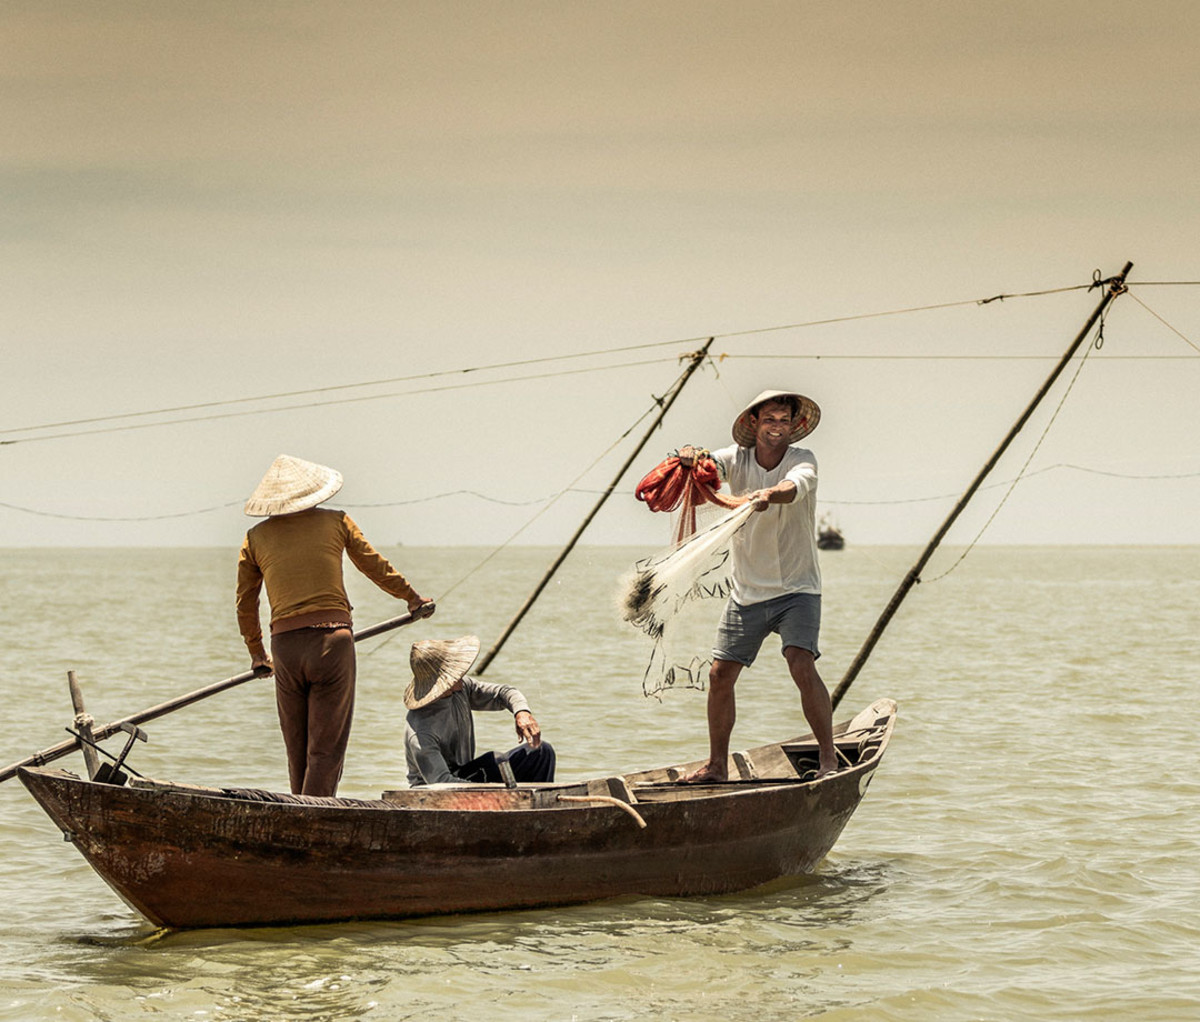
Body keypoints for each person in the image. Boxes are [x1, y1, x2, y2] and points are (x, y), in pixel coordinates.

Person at [235, 453, 434, 797]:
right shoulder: (336, 521)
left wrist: (257, 654)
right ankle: (309, 823)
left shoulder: (255, 538)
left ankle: (296, 814)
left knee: (296, 750)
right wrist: (411, 598)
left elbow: (245, 601)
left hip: (285, 649)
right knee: (325, 752)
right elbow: (373, 564)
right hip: (332, 642)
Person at [677, 389, 838, 781]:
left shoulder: (803, 460)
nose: (776, 429)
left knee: (800, 662)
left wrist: (769, 494)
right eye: (770, 420)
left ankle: (828, 759)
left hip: (797, 589)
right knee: (719, 675)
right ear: (754, 423)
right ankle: (717, 766)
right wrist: (689, 458)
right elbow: (709, 465)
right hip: (746, 592)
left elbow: (794, 487)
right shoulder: (737, 457)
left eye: (784, 422)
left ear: (793, 426)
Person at [404, 635, 556, 786]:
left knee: (541, 752)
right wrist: (494, 791)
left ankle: (538, 803)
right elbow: (442, 784)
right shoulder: (421, 731)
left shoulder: (460, 689)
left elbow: (503, 692)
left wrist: (522, 712)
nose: (462, 673)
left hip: (467, 776)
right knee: (495, 760)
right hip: (436, 791)